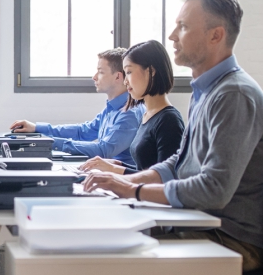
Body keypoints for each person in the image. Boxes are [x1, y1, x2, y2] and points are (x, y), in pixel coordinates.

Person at [83, 0, 263, 272]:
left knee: (108, 254)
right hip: (202, 221)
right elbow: (180, 162)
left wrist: (133, 191)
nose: (172, 36)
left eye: (183, 27)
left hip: (231, 239)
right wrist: (130, 183)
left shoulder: (233, 95)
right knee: (100, 235)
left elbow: (214, 189)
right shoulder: (207, 90)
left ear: (216, 35)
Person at [11, 49, 143, 165]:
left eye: (100, 72)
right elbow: (84, 131)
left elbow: (104, 150)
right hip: (104, 172)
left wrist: (50, 142)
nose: (94, 77)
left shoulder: (128, 114)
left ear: (118, 76)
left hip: (119, 179)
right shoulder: (112, 108)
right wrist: (37, 128)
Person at [79, 40, 185, 174]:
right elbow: (146, 169)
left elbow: (165, 179)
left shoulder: (169, 121)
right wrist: (115, 165)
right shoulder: (148, 115)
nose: (125, 81)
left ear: (151, 71)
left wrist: (115, 169)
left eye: (128, 72)